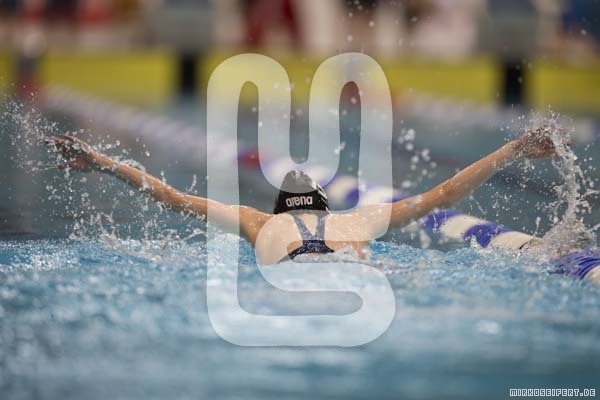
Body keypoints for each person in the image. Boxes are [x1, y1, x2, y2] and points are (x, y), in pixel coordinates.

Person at [45, 127, 560, 265]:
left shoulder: (256, 223)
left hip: (293, 273)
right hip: (350, 268)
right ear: (325, 206)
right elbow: (445, 192)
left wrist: (102, 161)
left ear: (278, 210)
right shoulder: (359, 221)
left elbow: (169, 196)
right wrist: (513, 149)